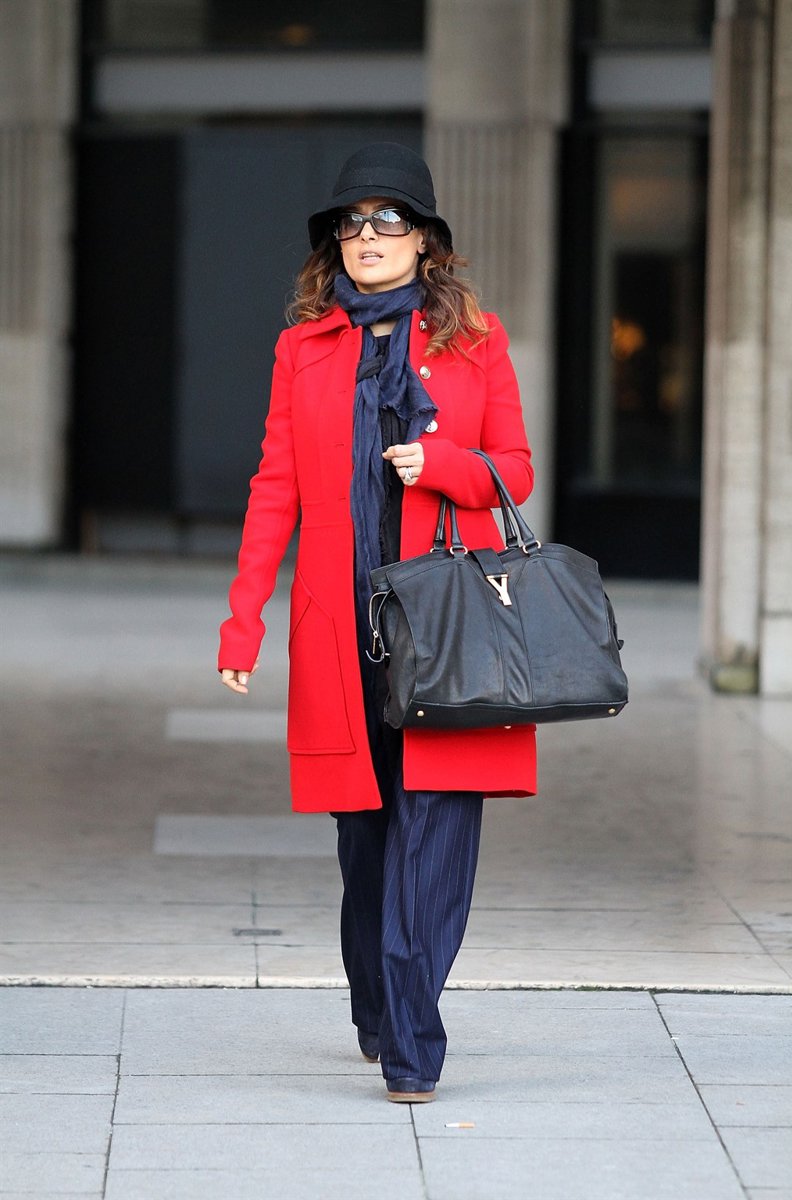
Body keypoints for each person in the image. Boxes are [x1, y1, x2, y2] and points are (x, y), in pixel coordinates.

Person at [218, 142, 537, 1103]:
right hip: (339, 627)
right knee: (366, 840)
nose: (369, 236)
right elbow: (274, 486)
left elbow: (516, 471)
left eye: (389, 219)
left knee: (434, 830)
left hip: (446, 624)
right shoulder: (304, 348)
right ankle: (378, 1008)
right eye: (351, 222)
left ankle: (411, 1043)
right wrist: (243, 623)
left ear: (426, 240)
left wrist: (444, 467)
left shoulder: (477, 341)